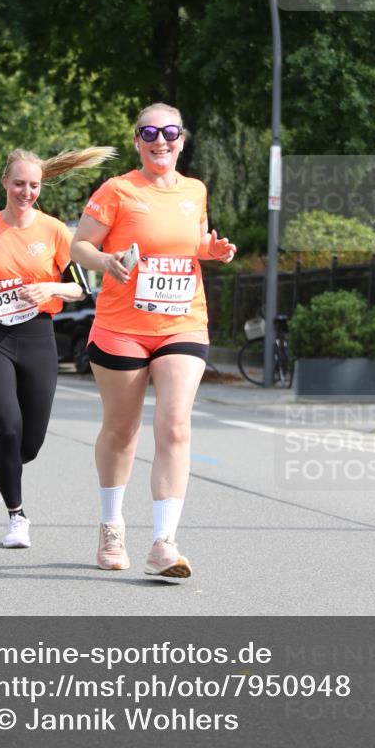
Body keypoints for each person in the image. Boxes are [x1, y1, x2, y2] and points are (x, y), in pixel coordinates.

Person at [70, 102, 236, 579]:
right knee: (122, 431)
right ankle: (111, 525)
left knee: (175, 424)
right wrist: (106, 261)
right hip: (122, 327)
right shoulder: (117, 190)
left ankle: (164, 542)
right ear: (137, 142)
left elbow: (191, 241)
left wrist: (211, 249)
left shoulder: (195, 190)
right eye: (149, 133)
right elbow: (80, 246)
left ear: (182, 140)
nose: (160, 140)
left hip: (183, 322)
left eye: (169, 132)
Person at [0, 145, 115, 548]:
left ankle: (0, 458)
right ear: (5, 182)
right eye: (19, 183)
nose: (26, 192)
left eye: (33, 185)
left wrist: (50, 287)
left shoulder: (55, 231)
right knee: (9, 428)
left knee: (29, 444)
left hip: (38, 336)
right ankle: (17, 517)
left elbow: (80, 289)